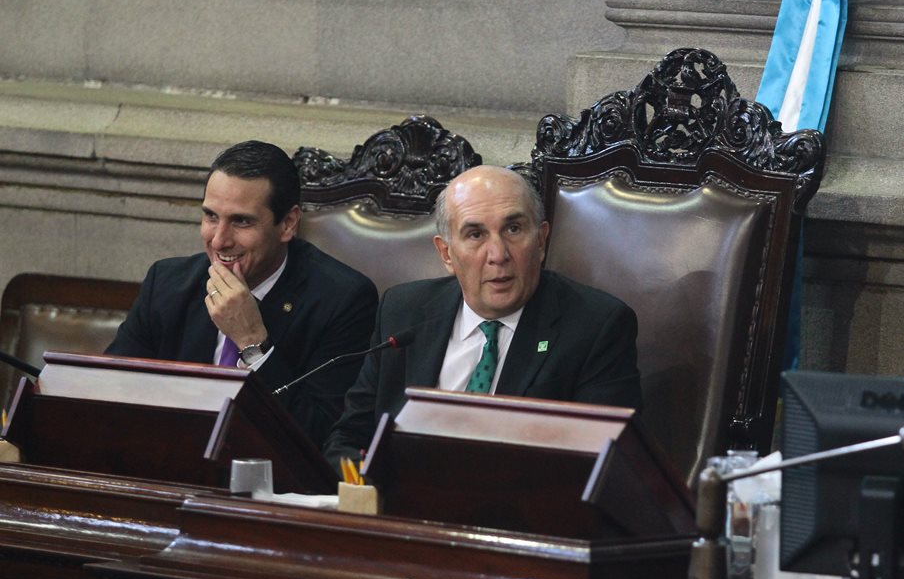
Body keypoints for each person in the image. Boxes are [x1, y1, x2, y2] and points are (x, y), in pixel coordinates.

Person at [324, 164, 642, 463]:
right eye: (475, 235)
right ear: (446, 253)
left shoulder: (596, 326)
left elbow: (605, 465)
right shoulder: (403, 311)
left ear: (542, 240)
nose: (498, 255)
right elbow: (348, 439)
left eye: (514, 229)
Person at [107, 140, 378, 448]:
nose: (219, 241)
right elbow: (112, 389)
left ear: (287, 224)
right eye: (211, 217)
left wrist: (252, 344)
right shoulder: (167, 283)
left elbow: (321, 435)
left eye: (241, 221)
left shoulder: (343, 300)